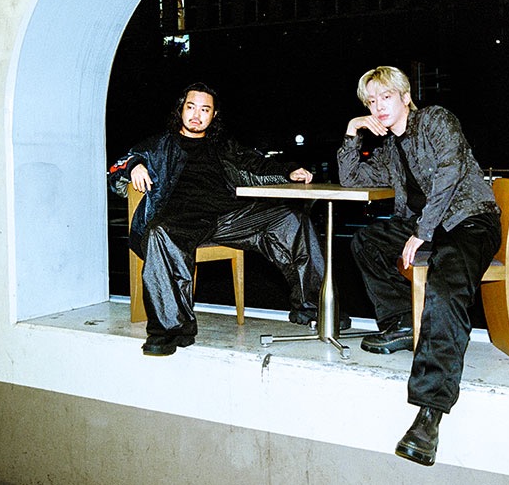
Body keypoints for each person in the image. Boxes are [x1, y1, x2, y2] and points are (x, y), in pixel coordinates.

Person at [337, 66, 501, 466]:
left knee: (444, 288)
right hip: (424, 227)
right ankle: (402, 322)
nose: (378, 106)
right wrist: (351, 132)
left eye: (386, 97)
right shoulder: (390, 149)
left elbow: (450, 173)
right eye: (371, 101)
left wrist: (422, 232)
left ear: (405, 96)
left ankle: (429, 416)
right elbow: (350, 179)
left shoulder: (436, 120)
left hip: (469, 220)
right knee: (366, 242)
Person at [109, 82, 344, 356]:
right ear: (181, 109)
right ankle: (169, 330)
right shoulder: (158, 145)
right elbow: (117, 168)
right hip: (181, 222)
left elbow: (256, 164)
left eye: (205, 110)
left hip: (229, 216)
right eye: (191, 107)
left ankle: (314, 307)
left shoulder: (222, 146)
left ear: (214, 115)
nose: (196, 115)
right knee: (159, 233)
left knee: (292, 219)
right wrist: (134, 165)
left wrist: (289, 171)